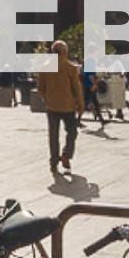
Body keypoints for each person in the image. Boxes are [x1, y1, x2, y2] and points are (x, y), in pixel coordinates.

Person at [36, 40, 83, 174]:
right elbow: (77, 88)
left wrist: (47, 99)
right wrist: (80, 104)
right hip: (68, 106)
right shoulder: (70, 67)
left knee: (53, 135)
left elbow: (40, 88)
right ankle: (66, 154)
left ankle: (54, 161)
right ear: (65, 52)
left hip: (52, 106)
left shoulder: (44, 67)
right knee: (72, 132)